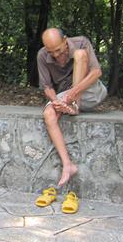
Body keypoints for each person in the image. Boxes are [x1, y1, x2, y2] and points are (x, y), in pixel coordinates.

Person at [37, 28, 108, 188]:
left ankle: (74, 105)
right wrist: (56, 101)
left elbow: (96, 72)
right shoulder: (42, 55)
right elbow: (47, 86)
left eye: (58, 50)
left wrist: (72, 97)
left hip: (91, 91)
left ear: (65, 41)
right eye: (51, 51)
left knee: (80, 54)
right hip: (66, 96)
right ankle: (68, 165)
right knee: (48, 114)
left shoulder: (81, 42)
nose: (55, 55)